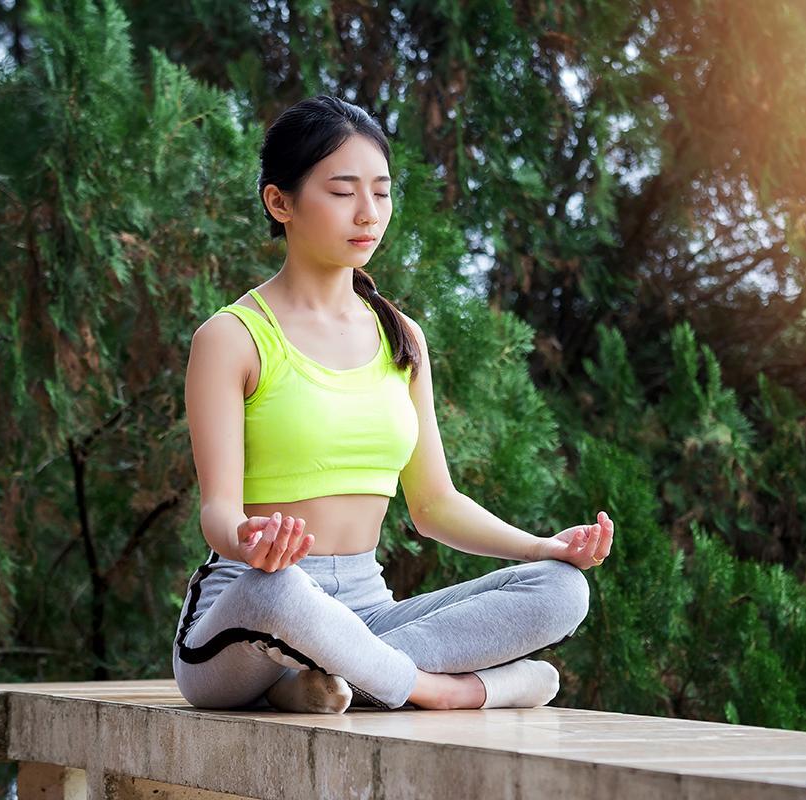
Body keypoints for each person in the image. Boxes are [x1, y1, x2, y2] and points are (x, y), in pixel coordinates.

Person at [172, 95, 615, 713]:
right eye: (342, 191)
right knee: (278, 590)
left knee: (562, 591)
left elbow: (434, 505)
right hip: (248, 613)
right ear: (280, 202)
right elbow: (217, 511)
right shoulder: (232, 337)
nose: (367, 213)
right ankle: (442, 691)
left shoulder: (401, 337)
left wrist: (542, 546)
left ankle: (328, 681)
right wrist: (250, 540)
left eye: (380, 192)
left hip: (366, 610)